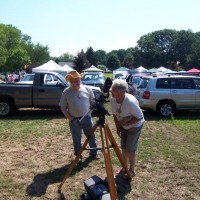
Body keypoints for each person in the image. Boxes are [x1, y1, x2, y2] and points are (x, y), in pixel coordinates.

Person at [59, 70, 97, 162]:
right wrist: (71, 119)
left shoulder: (88, 89)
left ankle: (94, 153)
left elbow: (93, 103)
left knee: (91, 136)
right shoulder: (66, 92)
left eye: (78, 80)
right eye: (74, 80)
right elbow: (63, 107)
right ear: (70, 81)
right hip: (74, 120)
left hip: (87, 118)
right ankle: (78, 156)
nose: (77, 82)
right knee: (77, 139)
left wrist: (89, 114)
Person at [110, 79, 144, 177]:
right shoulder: (113, 100)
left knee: (130, 149)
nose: (111, 91)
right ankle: (124, 168)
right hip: (124, 125)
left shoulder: (130, 102)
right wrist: (118, 128)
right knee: (124, 148)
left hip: (135, 125)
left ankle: (132, 170)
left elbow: (140, 117)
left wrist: (127, 123)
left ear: (121, 92)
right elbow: (115, 115)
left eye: (113, 90)